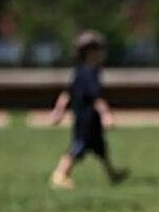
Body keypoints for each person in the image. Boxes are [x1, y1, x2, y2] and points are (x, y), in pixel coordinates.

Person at [49, 30, 128, 189]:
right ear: (90, 52)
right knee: (79, 146)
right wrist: (106, 115)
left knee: (100, 147)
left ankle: (112, 174)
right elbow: (96, 98)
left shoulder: (81, 70)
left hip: (87, 117)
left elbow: (66, 94)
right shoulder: (89, 72)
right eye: (100, 50)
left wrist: (58, 111)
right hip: (86, 118)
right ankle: (60, 174)